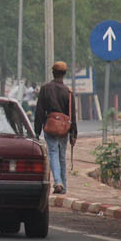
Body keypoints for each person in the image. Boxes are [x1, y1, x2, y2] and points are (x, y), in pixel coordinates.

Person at [34, 61, 78, 195]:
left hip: (50, 125)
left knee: (53, 152)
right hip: (64, 128)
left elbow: (39, 111)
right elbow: (72, 114)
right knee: (61, 155)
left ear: (53, 73)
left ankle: (58, 182)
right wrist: (73, 133)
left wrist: (36, 131)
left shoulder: (45, 88)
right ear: (64, 74)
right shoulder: (68, 92)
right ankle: (63, 185)